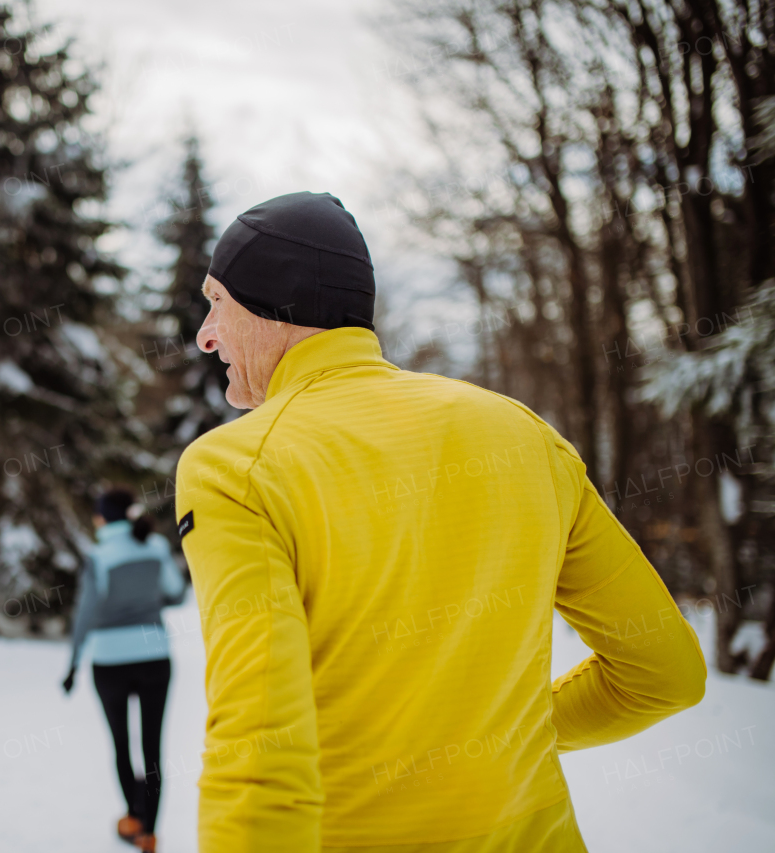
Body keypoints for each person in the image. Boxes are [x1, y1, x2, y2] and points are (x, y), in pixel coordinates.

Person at [173, 191, 708, 852]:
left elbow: (260, 755)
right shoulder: (522, 434)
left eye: (216, 300)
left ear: (274, 300)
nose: (205, 332)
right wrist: (494, 733)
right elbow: (667, 673)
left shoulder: (237, 466)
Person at [62, 487, 188, 853]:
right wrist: (145, 599)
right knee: (153, 748)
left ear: (103, 518)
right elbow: (176, 593)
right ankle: (148, 832)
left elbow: (84, 614)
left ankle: (132, 816)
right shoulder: (156, 548)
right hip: (155, 656)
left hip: (109, 661)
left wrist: (72, 664)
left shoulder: (99, 556)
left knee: (121, 744)